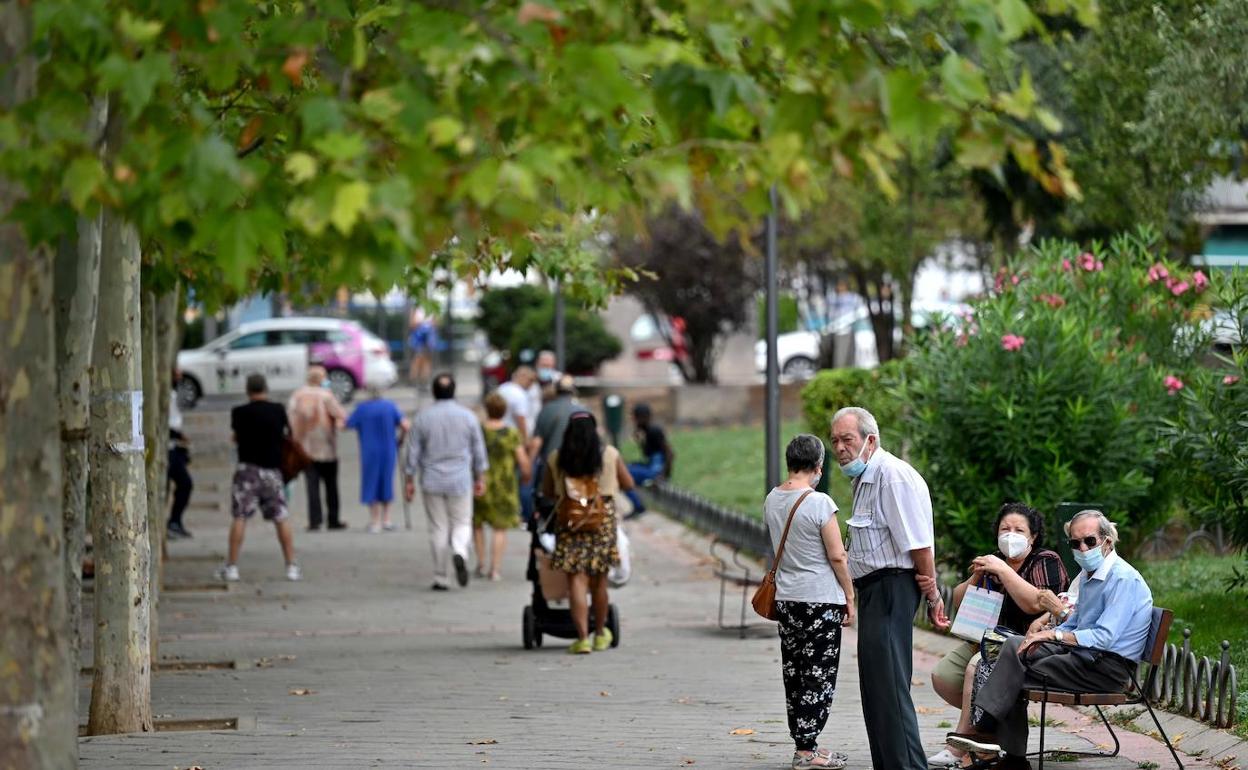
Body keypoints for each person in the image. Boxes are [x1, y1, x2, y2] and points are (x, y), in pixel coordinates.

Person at [949, 510, 1154, 770]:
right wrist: (1041, 634)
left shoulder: (1122, 579)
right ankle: (993, 739)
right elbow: (1076, 623)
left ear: (1107, 542)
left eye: (1089, 541)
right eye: (1074, 543)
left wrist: (1054, 634)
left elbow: (1103, 637)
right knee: (1013, 645)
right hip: (1082, 656)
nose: (1082, 548)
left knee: (1015, 669)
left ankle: (988, 734)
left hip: (1106, 668)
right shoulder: (1090, 575)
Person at [830, 406, 948, 770]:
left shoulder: (892, 476)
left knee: (891, 689)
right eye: (834, 441)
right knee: (876, 690)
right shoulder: (865, 477)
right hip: (873, 591)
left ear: (871, 440)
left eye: (847, 439)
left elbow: (918, 545)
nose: (839, 448)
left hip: (892, 588)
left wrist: (933, 594)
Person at [924, 503, 1070, 769]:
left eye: (1018, 529)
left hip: (1027, 645)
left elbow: (1035, 604)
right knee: (942, 676)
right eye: (1005, 529)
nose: (1010, 534)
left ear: (1033, 536)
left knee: (976, 665)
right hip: (989, 639)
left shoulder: (1045, 560)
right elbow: (958, 599)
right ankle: (991, 733)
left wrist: (1004, 571)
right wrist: (977, 576)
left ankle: (962, 743)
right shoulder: (994, 559)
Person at [765, 434, 856, 770]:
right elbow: (837, 555)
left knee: (795, 671)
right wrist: (849, 596)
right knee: (818, 675)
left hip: (788, 598)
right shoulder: (819, 503)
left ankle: (804, 743)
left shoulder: (772, 499)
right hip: (820, 600)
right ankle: (807, 751)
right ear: (818, 465)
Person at [540, 412, 634, 654]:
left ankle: (582, 638)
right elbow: (629, 484)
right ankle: (600, 634)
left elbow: (548, 491)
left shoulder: (557, 458)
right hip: (601, 523)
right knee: (599, 582)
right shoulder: (609, 454)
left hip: (570, 524)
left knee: (576, 581)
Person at [403, 373, 488, 590]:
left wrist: (409, 479)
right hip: (460, 478)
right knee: (462, 522)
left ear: (433, 392)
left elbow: (412, 452)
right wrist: (480, 477)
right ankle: (460, 550)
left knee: (438, 527)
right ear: (454, 391)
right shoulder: (468, 417)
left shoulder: (423, 417)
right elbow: (478, 450)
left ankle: (441, 576)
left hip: (431, 479)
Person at [216, 374, 301, 582]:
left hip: (247, 470)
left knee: (240, 516)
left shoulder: (239, 412)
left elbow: (236, 437)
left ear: (247, 389)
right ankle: (291, 566)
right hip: (272, 471)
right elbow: (288, 434)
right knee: (280, 516)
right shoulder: (278, 410)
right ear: (266, 388)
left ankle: (232, 566)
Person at [472, 392, 532, 580]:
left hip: (481, 483)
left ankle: (481, 563)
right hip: (505, 486)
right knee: (500, 529)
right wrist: (526, 475)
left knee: (478, 525)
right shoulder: (511, 433)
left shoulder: (479, 430)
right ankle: (495, 569)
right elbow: (522, 460)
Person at [287, 365, 348, 532]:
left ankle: (315, 520)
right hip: (327, 447)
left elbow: (290, 419)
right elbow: (341, 415)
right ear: (321, 379)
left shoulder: (297, 396)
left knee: (311, 485)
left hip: (304, 448)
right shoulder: (326, 396)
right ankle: (333, 519)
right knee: (331, 485)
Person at [347, 386, 409, 533]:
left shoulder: (361, 409)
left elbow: (346, 424)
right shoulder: (390, 406)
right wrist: (400, 440)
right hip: (388, 449)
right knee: (386, 481)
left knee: (370, 482)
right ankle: (387, 519)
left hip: (369, 450)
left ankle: (374, 521)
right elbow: (406, 426)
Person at [498, 366, 538, 523]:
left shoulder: (502, 389)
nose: (531, 385)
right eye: (530, 381)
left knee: (503, 475)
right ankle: (518, 511)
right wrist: (526, 442)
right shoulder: (519, 395)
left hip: (499, 437)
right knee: (521, 475)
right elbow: (521, 420)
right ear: (523, 378)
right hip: (514, 440)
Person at [621, 402, 673, 519]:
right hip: (651, 466)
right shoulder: (646, 431)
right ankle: (638, 504)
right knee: (626, 467)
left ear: (642, 417)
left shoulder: (654, 431)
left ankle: (638, 506)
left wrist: (663, 475)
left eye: (635, 418)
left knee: (623, 474)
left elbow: (670, 453)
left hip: (656, 471)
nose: (633, 421)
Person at [167, 369, 194, 539]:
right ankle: (173, 522)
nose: (180, 376)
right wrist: (177, 435)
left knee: (184, 484)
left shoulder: (174, 394)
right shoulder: (166, 395)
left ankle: (174, 521)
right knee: (184, 483)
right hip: (167, 447)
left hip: (174, 447)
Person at [407, 311, 439, 387]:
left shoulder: (431, 308)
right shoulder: (416, 308)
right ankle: (414, 379)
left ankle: (423, 380)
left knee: (426, 360)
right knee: (418, 359)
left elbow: (435, 323)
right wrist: (421, 325)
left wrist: (430, 326)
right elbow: (412, 324)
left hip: (428, 338)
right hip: (419, 338)